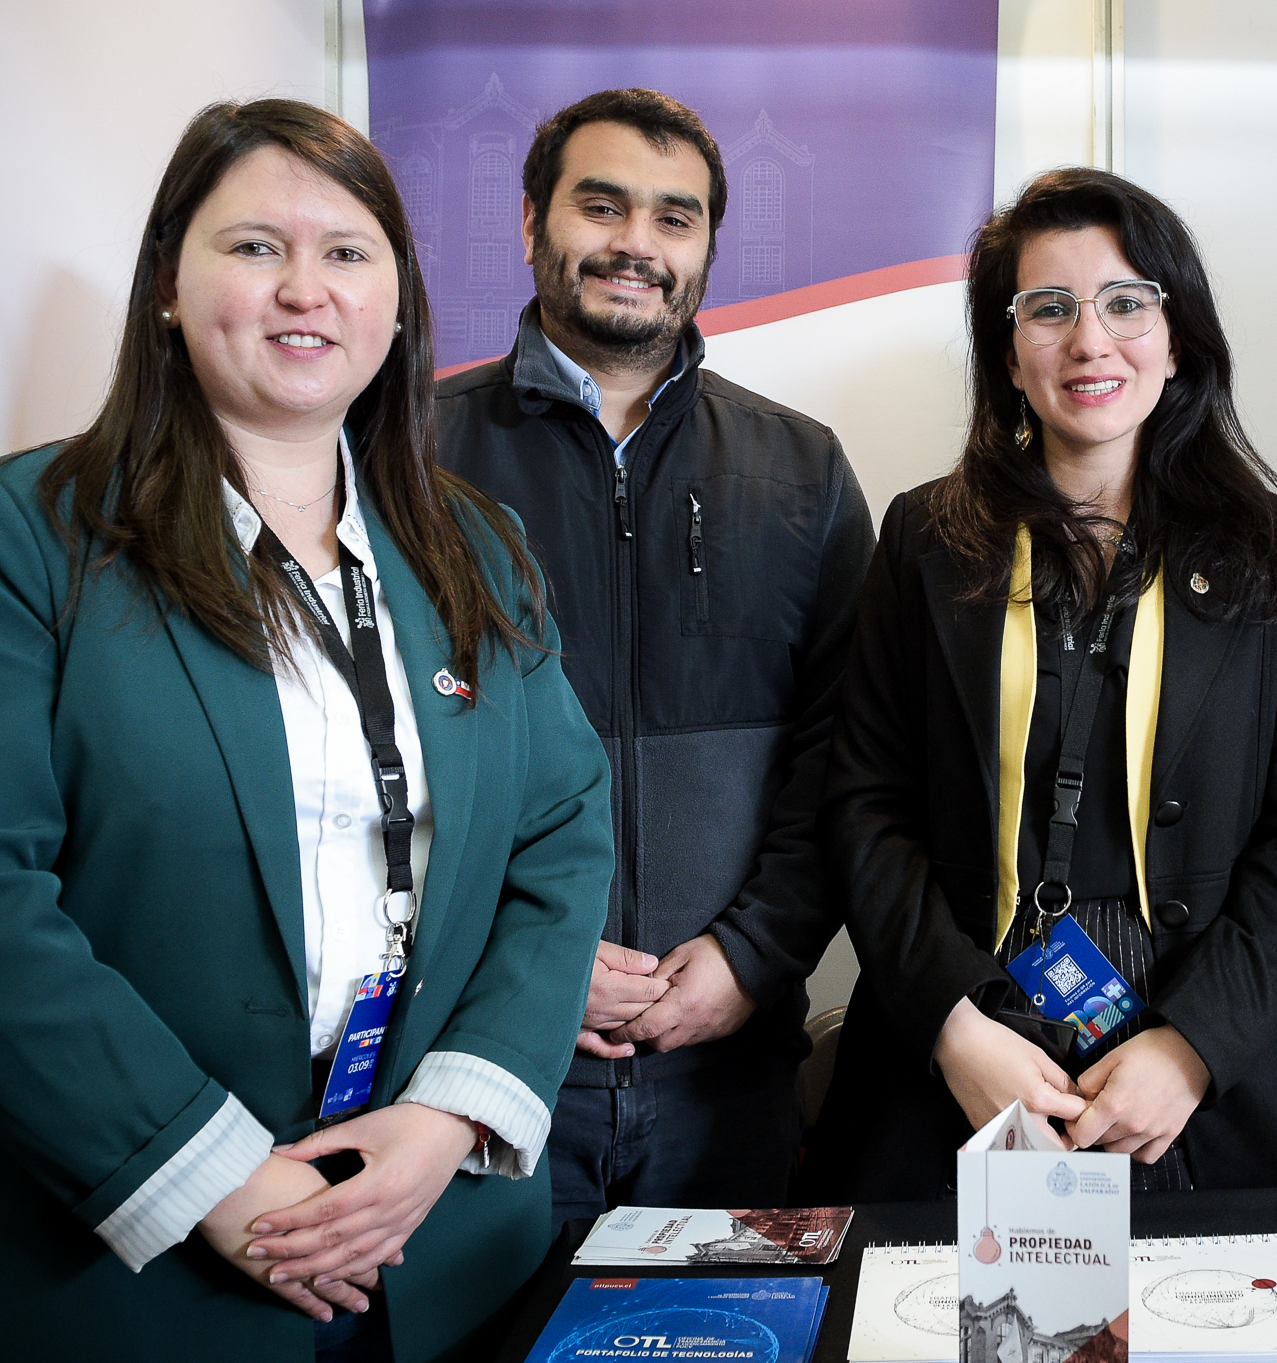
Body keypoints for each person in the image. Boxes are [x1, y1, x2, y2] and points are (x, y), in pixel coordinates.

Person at [0, 100, 612, 1361]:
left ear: (396, 300)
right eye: (254, 247)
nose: (304, 292)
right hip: (123, 1273)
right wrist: (213, 1176)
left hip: (427, 1246)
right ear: (169, 283)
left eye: (347, 252)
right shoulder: (24, 532)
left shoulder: (473, 547)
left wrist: (448, 1118)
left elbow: (560, 834)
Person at [799, 168, 1277, 1199]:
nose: (1088, 341)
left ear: (1176, 334)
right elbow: (863, 805)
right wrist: (951, 1027)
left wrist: (1191, 1043)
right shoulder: (924, 539)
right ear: (1008, 354)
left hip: (1192, 1048)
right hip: (964, 1036)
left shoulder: (1269, 547)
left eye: (1125, 303)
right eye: (1047, 309)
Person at [434, 88, 872, 1232]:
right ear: (532, 221)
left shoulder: (802, 470)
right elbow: (367, 765)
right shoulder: (407, 460)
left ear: (706, 248)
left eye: (674, 218)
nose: (637, 243)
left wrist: (751, 953)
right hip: (478, 1067)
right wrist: (519, 960)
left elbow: (851, 755)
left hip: (729, 1073)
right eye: (602, 204)